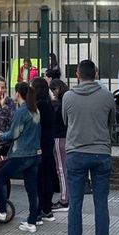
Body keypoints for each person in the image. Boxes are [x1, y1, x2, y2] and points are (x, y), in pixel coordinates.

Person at [61, 59, 117, 235]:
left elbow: (66, 121)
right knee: (101, 205)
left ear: (78, 74)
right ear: (97, 73)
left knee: (75, 204)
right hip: (101, 152)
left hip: (76, 153)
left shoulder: (68, 96)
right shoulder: (107, 95)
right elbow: (111, 122)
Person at [0, 82, 43, 233]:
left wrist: (0, 137)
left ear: (18, 94)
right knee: (32, 188)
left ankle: (1, 210)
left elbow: (14, 134)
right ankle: (33, 220)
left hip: (21, 154)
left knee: (0, 177)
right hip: (35, 154)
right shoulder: (35, 111)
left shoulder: (21, 112)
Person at [32, 77, 58, 221]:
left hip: (40, 146)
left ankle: (40, 209)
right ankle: (46, 208)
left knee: (39, 179)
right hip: (48, 144)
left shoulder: (39, 106)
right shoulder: (48, 104)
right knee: (46, 176)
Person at [49, 79, 70, 210]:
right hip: (66, 136)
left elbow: (56, 119)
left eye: (53, 90)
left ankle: (64, 199)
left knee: (61, 169)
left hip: (59, 137)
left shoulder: (59, 103)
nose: (53, 93)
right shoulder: (68, 100)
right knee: (65, 168)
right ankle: (67, 196)